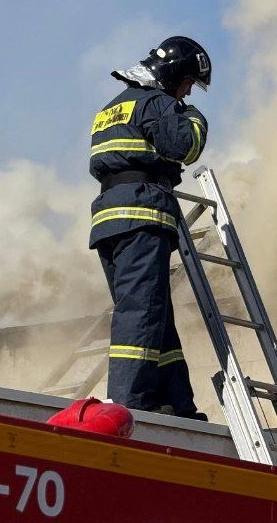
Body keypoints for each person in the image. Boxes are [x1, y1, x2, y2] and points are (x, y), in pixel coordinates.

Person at [88, 35, 212, 418]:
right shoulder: (156, 103)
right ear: (174, 72)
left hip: (110, 220)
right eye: (189, 82)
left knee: (153, 313)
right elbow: (185, 148)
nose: (189, 90)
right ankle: (129, 402)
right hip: (142, 214)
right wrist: (193, 117)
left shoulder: (111, 109)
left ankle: (176, 401)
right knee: (141, 313)